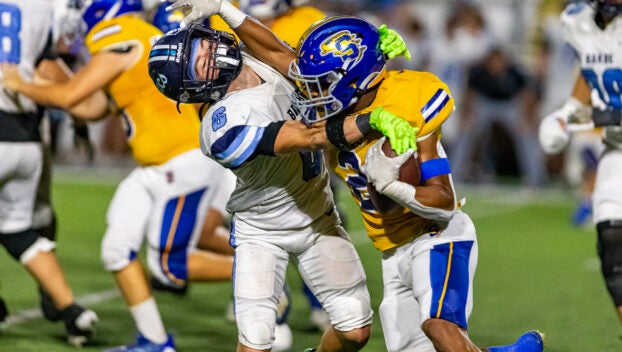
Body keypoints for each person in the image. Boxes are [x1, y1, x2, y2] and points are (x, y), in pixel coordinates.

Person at [166, 1, 547, 351]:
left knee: (432, 328)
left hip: (423, 231)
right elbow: (305, 126)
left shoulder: (408, 99)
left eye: (320, 83)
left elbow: (443, 203)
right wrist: (370, 120)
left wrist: (395, 181)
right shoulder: (223, 123)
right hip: (333, 238)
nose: (309, 92)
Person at [146, 16, 420, 352]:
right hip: (263, 232)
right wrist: (368, 120)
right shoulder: (220, 127)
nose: (213, 52)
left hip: (318, 216)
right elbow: (304, 137)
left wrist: (373, 55)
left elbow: (281, 51)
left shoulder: (251, 56)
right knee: (257, 341)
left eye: (204, 43)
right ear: (192, 88)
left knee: (355, 331)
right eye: (202, 62)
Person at [0, 1, 240, 351]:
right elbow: (88, 108)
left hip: (180, 161)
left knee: (168, 268)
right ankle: (155, 341)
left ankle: (260, 271)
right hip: (156, 168)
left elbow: (70, 95)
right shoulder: (136, 37)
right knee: (117, 248)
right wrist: (39, 84)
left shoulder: (121, 32)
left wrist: (19, 84)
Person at [0, 0, 99, 347]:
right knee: (19, 228)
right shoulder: (42, 7)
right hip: (27, 136)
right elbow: (53, 63)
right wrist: (79, 117)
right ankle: (70, 309)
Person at [538, 0, 622, 324]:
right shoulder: (578, 21)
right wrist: (569, 112)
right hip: (615, 147)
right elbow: (592, 71)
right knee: (611, 244)